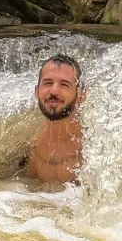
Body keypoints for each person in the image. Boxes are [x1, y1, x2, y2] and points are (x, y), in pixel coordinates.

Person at [18, 54, 85, 184]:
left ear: (81, 96)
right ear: (37, 92)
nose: (54, 91)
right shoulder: (32, 146)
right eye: (48, 83)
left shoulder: (94, 146)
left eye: (64, 85)